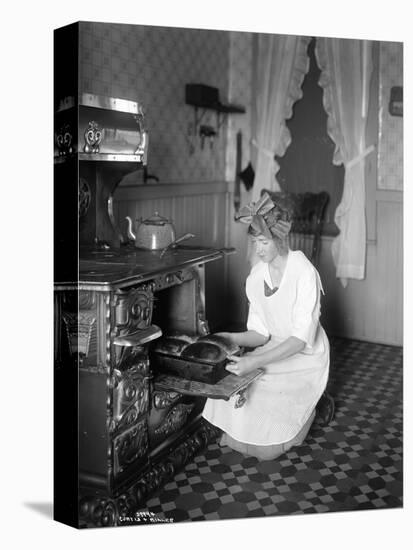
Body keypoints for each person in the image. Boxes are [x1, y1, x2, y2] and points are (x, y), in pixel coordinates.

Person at [202, 192, 330, 460]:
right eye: (254, 242)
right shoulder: (257, 276)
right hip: (274, 347)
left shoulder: (303, 272)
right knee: (237, 387)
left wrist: (253, 363)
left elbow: (298, 340)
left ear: (279, 239)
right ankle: (251, 431)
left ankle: (311, 410)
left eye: (263, 242)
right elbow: (260, 334)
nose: (257, 250)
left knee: (269, 446)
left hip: (304, 355)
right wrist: (226, 337)